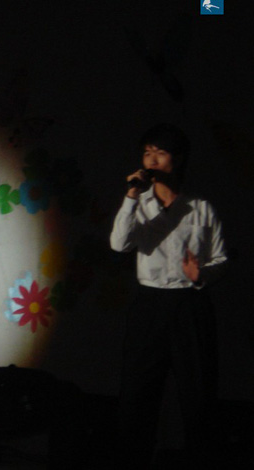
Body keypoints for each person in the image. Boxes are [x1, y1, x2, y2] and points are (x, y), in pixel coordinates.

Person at [110, 124, 226, 468]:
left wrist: (202, 274)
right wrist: (132, 196)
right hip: (150, 304)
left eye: (160, 152)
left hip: (189, 304)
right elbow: (119, 244)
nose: (152, 159)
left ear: (179, 159)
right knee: (138, 391)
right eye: (147, 152)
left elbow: (220, 258)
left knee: (197, 391)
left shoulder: (201, 207)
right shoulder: (138, 203)